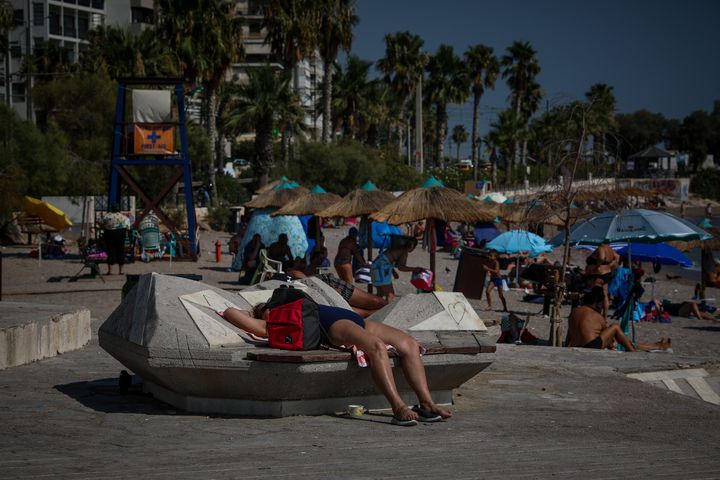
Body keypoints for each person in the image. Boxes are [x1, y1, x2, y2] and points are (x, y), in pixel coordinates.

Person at [221, 300, 452, 425]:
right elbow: (231, 311)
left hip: (358, 321)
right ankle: (398, 407)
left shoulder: (294, 303)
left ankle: (426, 403)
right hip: (336, 327)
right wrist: (252, 313)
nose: (268, 307)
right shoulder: (272, 324)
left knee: (410, 344)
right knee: (376, 347)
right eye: (263, 309)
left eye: (268, 305)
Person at [567, 287, 672, 351]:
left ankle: (656, 345)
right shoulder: (596, 316)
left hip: (576, 345)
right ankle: (638, 350)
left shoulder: (574, 311)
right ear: (597, 303)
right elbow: (611, 339)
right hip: (590, 347)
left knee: (619, 341)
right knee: (616, 328)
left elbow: (570, 334)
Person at [286, 269, 388, 318]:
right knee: (368, 314)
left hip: (323, 285)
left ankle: (395, 313)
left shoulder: (282, 277)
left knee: (377, 302)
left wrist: (324, 289)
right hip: (316, 301)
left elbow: (295, 273)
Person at [371, 236, 424, 303]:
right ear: (413, 247)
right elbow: (401, 267)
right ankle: (387, 312)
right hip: (382, 269)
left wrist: (393, 272)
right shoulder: (404, 251)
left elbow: (388, 259)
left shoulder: (397, 247)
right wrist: (415, 269)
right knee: (390, 294)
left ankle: (374, 310)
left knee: (380, 293)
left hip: (374, 267)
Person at [584, 242, 619, 320]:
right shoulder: (611, 250)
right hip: (606, 273)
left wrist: (597, 267)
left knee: (595, 294)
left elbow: (601, 257)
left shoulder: (601, 248)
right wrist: (609, 266)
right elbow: (617, 257)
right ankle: (605, 316)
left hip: (598, 274)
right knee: (605, 295)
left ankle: (594, 313)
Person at [100, 204, 131, 275]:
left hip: (109, 235)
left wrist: (105, 227)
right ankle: (121, 271)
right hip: (120, 235)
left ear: (112, 209)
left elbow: (101, 223)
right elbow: (128, 228)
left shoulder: (107, 216)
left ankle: (110, 271)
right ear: (119, 209)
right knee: (120, 251)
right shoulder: (124, 217)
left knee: (110, 251)